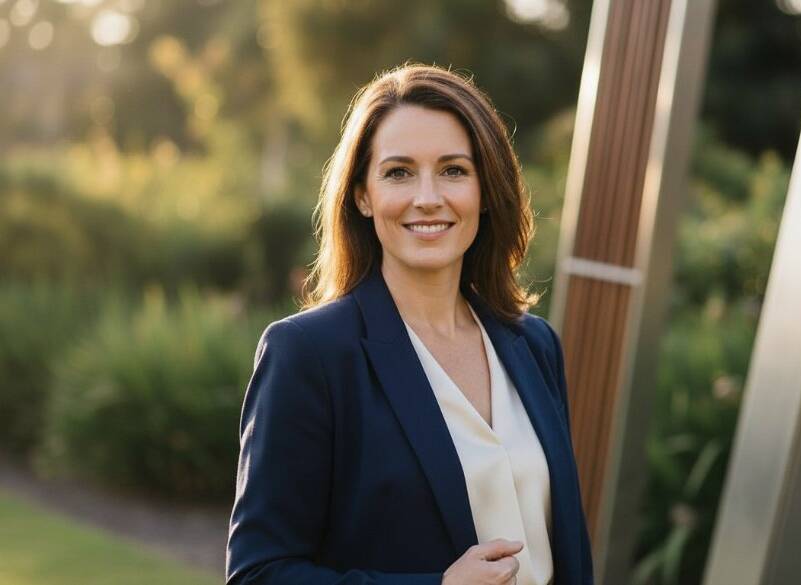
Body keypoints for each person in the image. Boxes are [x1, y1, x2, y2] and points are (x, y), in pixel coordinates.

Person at [225, 63, 594, 585]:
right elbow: (259, 574)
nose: (427, 197)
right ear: (363, 194)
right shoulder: (308, 354)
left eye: (453, 170)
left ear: (486, 190)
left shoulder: (533, 344)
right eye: (399, 172)